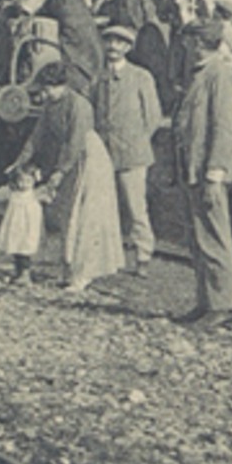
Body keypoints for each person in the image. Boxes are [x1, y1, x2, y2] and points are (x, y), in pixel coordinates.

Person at [8, 62, 125, 292]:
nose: (43, 94)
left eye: (47, 89)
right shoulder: (51, 106)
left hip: (88, 160)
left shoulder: (78, 105)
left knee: (85, 215)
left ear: (60, 85)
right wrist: (19, 161)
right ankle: (69, 270)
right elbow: (36, 137)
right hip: (70, 160)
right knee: (67, 215)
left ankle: (83, 274)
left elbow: (74, 142)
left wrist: (59, 172)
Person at [171, 20, 232, 329]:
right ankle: (206, 302)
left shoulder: (221, 75)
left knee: (214, 236)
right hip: (192, 166)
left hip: (209, 169)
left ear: (203, 44)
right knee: (198, 237)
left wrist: (216, 171)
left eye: (192, 42)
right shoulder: (201, 74)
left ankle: (223, 305)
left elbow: (226, 127)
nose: (189, 48)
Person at [91, 25, 164, 276]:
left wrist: (136, 139)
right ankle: (102, 257)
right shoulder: (97, 78)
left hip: (133, 153)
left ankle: (143, 256)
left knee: (136, 207)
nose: (113, 47)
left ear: (128, 48)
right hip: (103, 152)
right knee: (101, 205)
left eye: (120, 43)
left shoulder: (140, 77)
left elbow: (153, 116)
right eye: (109, 41)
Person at [18, 0, 111, 94]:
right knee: (69, 60)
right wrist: (25, 15)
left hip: (85, 27)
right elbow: (34, 0)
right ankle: (77, 92)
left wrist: (98, 2)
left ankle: (97, 92)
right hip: (66, 28)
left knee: (95, 58)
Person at [160, 0, 212, 107]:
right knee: (176, 70)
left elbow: (206, 21)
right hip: (178, 39)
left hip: (194, 42)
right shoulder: (173, 1)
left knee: (193, 70)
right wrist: (176, 17)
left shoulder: (200, 2)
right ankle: (178, 102)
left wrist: (196, 21)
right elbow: (163, 17)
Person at [0, 166, 43, 286]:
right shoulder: (13, 193)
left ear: (34, 181)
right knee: (15, 247)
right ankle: (18, 272)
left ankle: (25, 274)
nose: (24, 185)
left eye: (28, 181)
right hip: (15, 227)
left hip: (27, 227)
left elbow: (47, 197)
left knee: (25, 249)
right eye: (21, 181)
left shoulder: (33, 195)